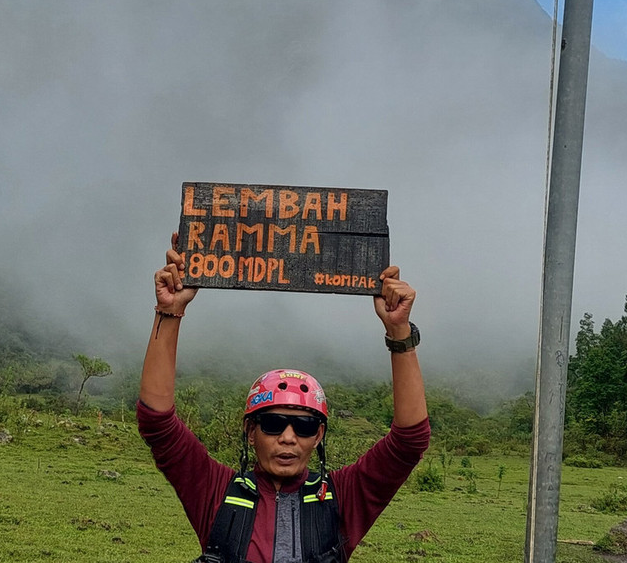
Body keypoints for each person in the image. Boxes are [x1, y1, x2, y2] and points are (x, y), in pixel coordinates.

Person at [138, 233, 430, 563]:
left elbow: (409, 442)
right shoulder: (215, 491)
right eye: (273, 423)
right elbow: (157, 423)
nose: (288, 438)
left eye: (304, 426)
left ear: (318, 435)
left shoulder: (342, 498)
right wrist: (169, 310)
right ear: (251, 431)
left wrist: (400, 332)